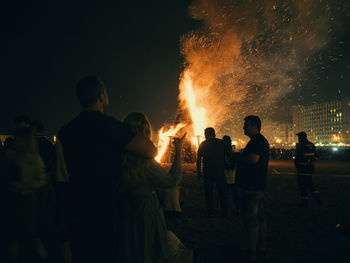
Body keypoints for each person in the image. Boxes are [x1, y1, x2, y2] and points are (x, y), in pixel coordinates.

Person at [57, 75, 157, 263]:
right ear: (101, 97)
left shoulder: (66, 131)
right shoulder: (111, 127)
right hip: (108, 208)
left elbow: (61, 177)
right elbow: (150, 150)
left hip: (77, 209)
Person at [118, 112, 192, 263]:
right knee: (148, 253)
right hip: (146, 216)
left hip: (124, 215)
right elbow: (171, 181)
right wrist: (178, 152)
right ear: (146, 131)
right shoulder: (144, 162)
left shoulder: (116, 158)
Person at [2, 127, 47, 263]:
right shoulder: (11, 155)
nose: (17, 142)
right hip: (14, 198)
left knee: (29, 233)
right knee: (14, 235)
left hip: (27, 199)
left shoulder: (34, 158)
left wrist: (26, 185)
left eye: (19, 140)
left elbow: (41, 179)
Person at [235, 116, 269, 262]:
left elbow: (253, 159)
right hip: (258, 185)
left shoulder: (256, 141)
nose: (243, 128)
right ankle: (261, 248)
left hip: (252, 187)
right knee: (260, 219)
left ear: (255, 126)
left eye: (246, 125)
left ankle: (252, 253)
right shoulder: (260, 141)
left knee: (251, 221)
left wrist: (237, 158)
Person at [31, 120, 57, 261]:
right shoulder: (48, 143)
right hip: (47, 177)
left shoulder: (33, 144)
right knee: (45, 203)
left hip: (37, 179)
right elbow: (54, 160)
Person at [197, 127, 228, 218]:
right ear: (214, 133)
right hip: (220, 171)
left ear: (207, 134)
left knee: (208, 193)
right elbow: (228, 156)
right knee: (222, 192)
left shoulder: (203, 144)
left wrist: (199, 171)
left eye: (204, 133)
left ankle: (210, 212)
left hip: (208, 172)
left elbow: (199, 159)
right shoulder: (222, 143)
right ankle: (224, 212)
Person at [294, 132, 321, 207]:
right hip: (311, 168)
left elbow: (298, 157)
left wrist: (297, 164)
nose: (298, 139)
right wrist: (311, 161)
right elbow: (316, 157)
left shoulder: (301, 145)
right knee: (309, 184)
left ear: (302, 137)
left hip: (302, 168)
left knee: (302, 185)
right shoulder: (312, 145)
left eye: (299, 137)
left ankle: (304, 202)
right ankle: (318, 199)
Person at [222, 135, 239, 216]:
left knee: (225, 194)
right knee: (234, 193)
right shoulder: (231, 150)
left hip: (225, 173)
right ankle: (237, 209)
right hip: (232, 174)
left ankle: (226, 211)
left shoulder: (222, 151)